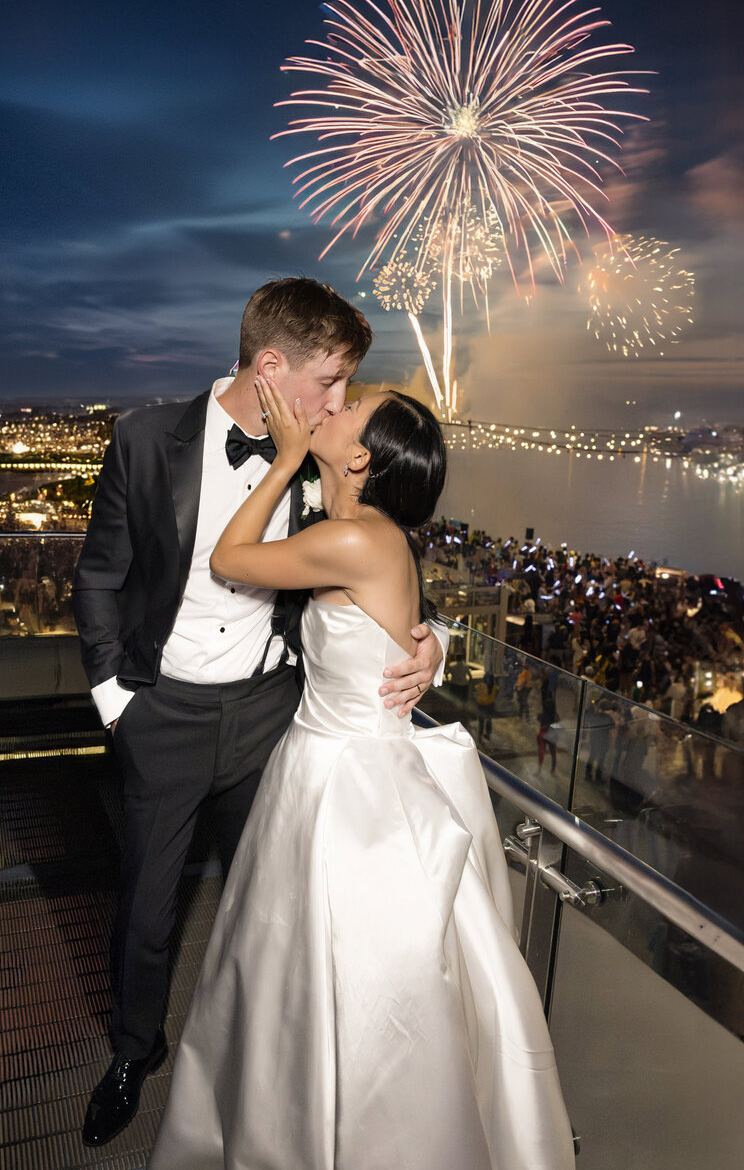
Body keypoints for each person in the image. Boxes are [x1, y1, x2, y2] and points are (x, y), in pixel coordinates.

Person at [148, 377, 575, 1169]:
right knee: (307, 967)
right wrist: (434, 637)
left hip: (345, 782)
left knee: (322, 969)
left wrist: (280, 461)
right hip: (331, 763)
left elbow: (229, 560)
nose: (331, 410)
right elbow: (391, 620)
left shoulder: (356, 538)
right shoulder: (363, 532)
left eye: (348, 411)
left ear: (362, 458)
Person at [72, 278, 446, 1147]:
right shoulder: (143, 438)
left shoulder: (325, 463)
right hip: (160, 714)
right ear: (271, 369)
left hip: (274, 716)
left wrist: (428, 646)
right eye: (332, 384)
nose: (339, 404)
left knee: (278, 903)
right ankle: (134, 1054)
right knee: (148, 908)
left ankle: (275, 1057)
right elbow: (98, 575)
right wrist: (114, 702)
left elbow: (390, 564)